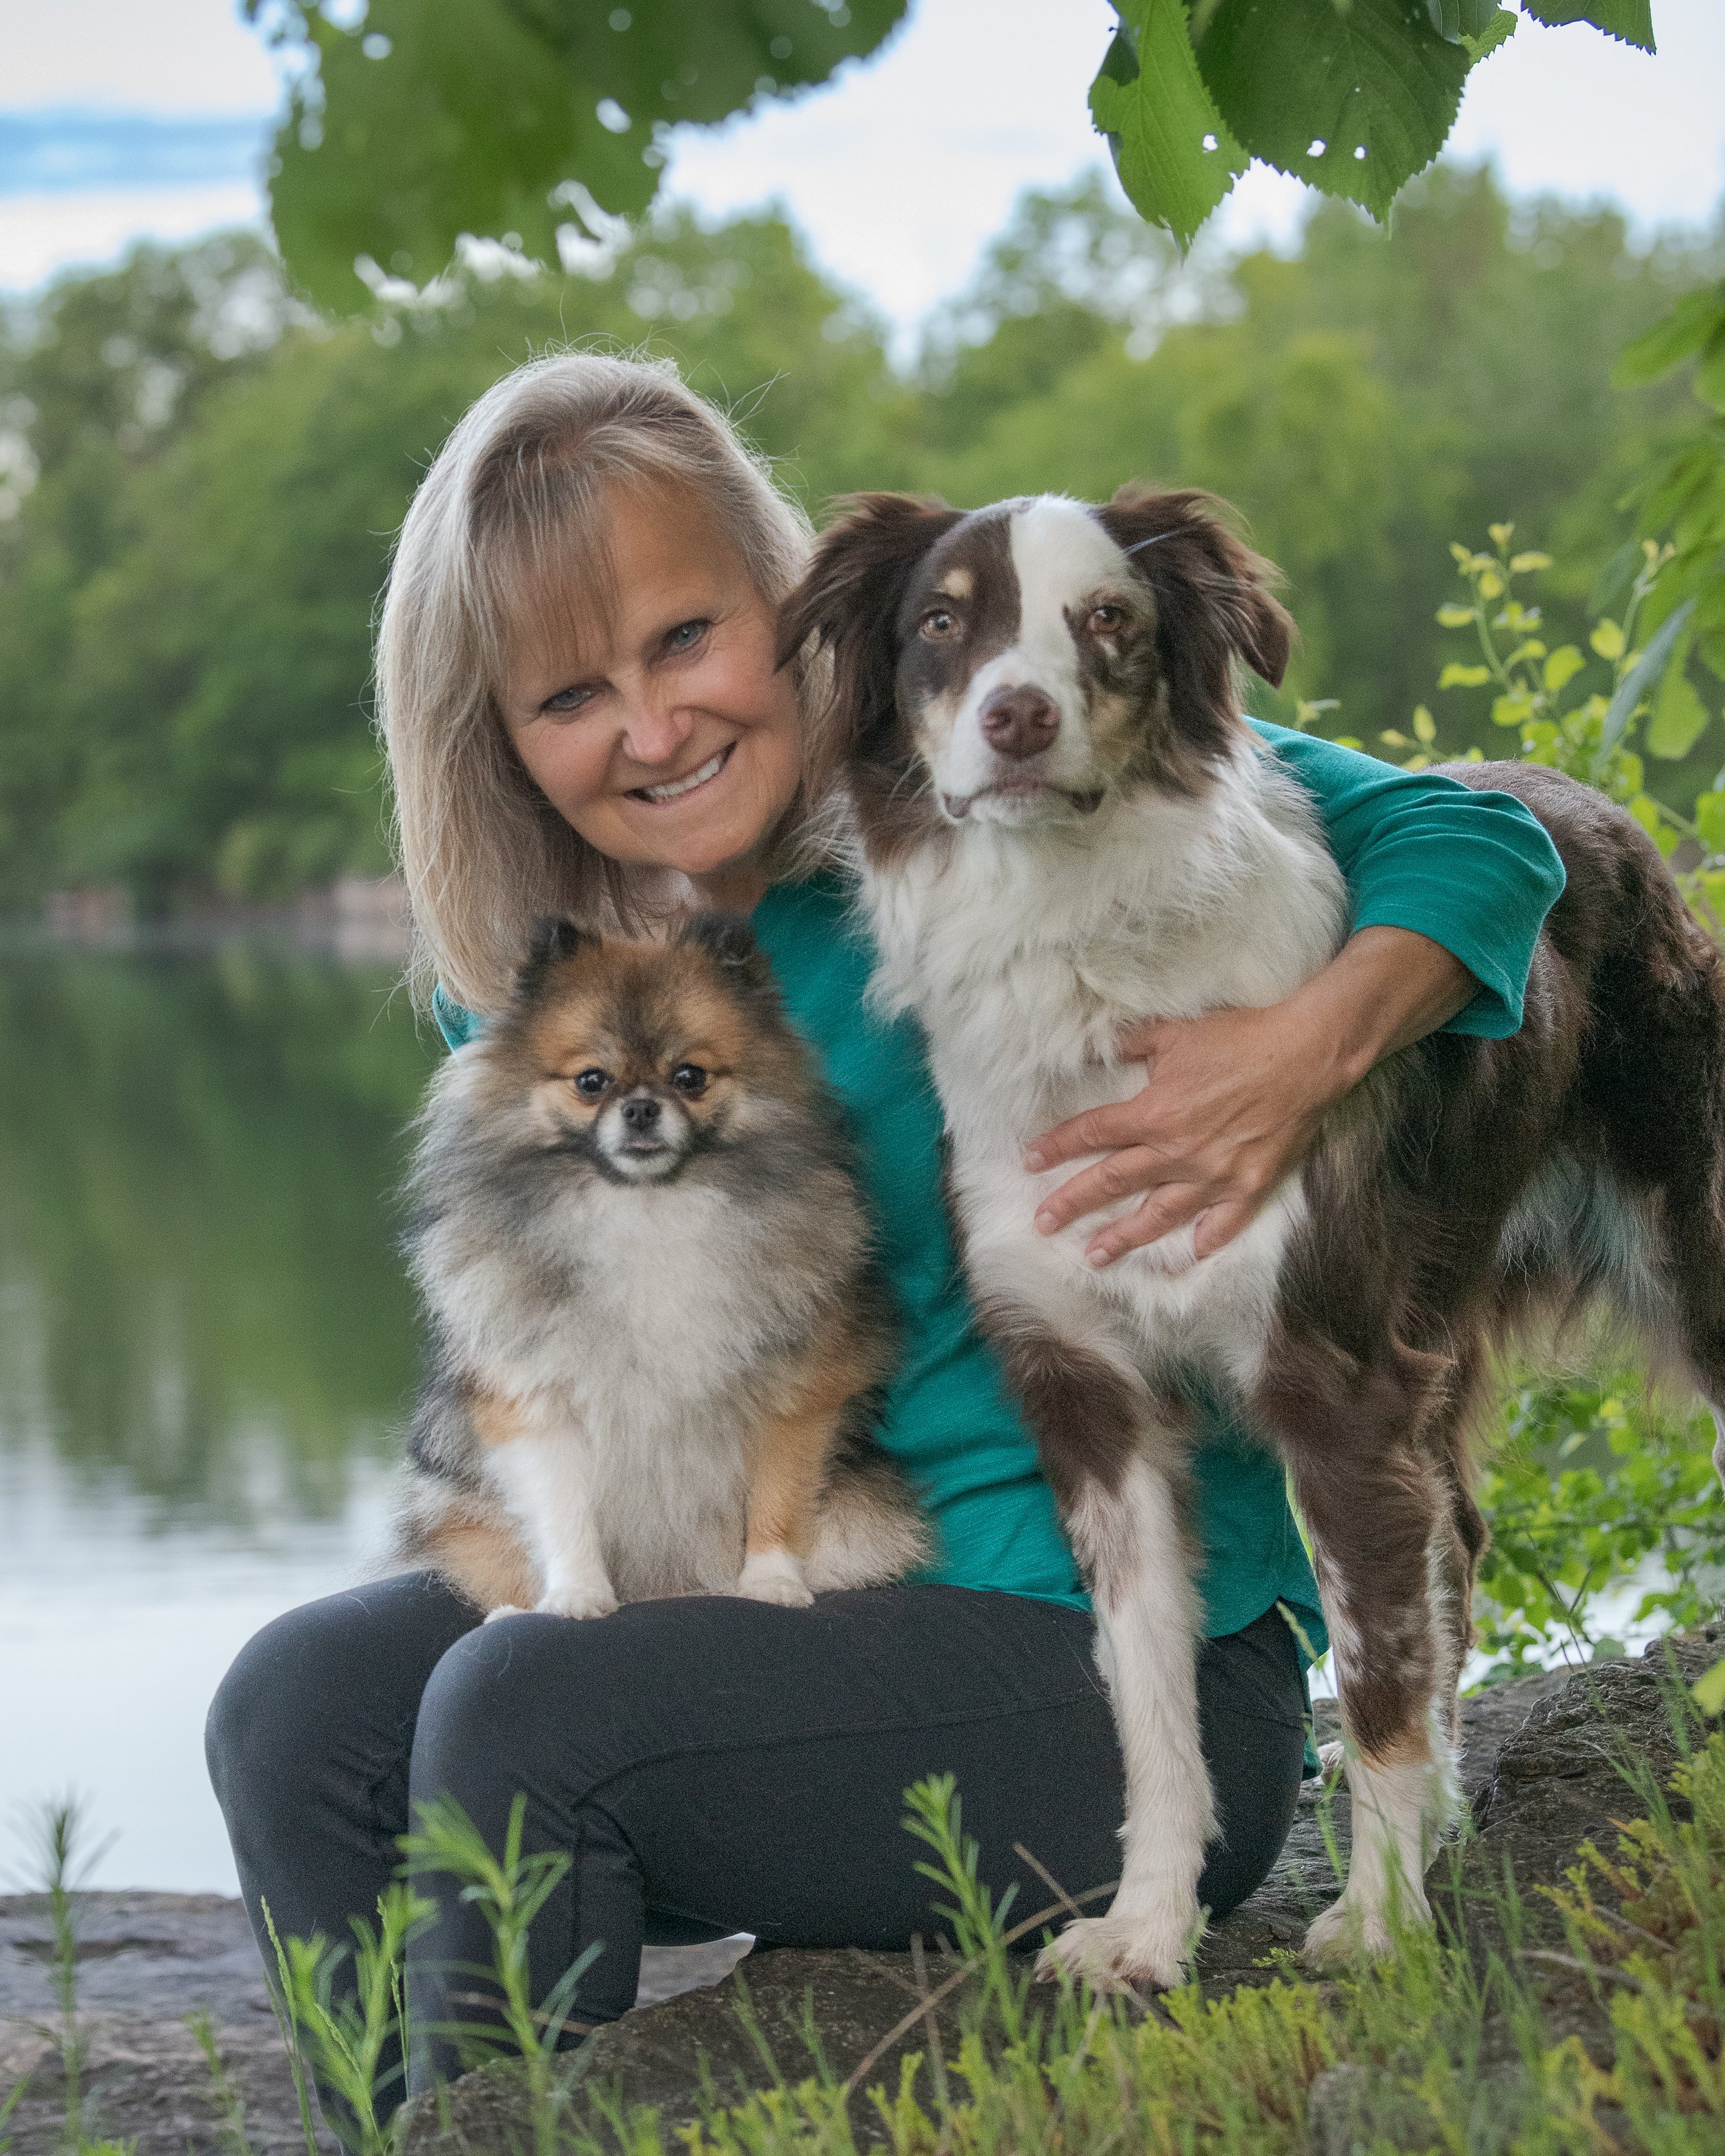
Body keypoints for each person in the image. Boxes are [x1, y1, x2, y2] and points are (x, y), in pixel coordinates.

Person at [206, 352, 1565, 2104]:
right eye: (567, 696)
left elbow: (1480, 843)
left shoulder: (984, 794)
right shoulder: (580, 1000)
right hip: (773, 1597)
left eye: (684, 640)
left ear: (783, 614)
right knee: (298, 1709)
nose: (649, 726)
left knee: (524, 1717)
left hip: (1082, 1650)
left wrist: (1285, 1056)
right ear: (500, 742)